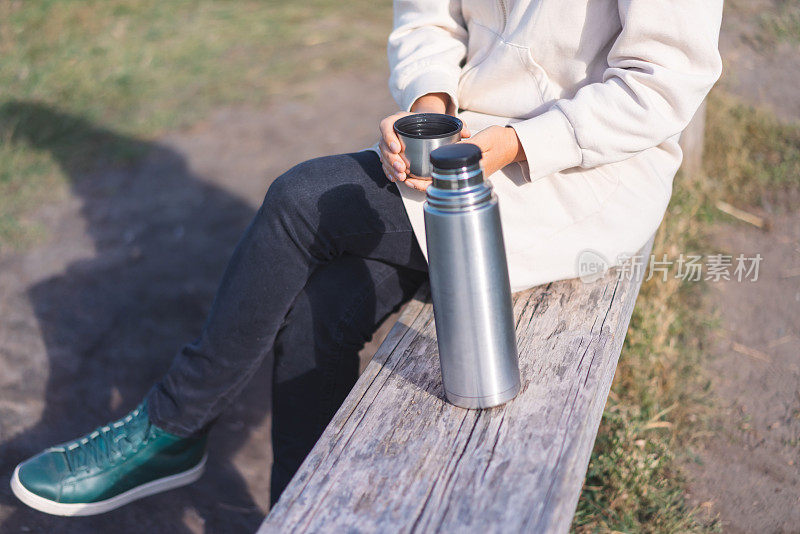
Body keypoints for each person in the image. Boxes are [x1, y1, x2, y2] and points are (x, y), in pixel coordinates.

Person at [10, 0, 723, 516]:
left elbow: (661, 83)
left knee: (301, 201)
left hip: (574, 174)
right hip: (460, 151)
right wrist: (429, 102)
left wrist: (507, 143)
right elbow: (427, 18)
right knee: (322, 306)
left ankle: (170, 425)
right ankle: (302, 513)